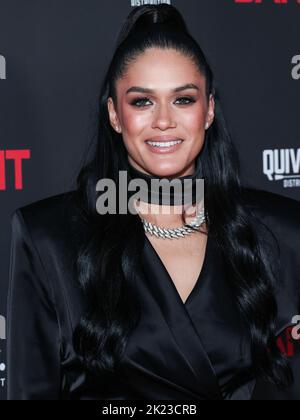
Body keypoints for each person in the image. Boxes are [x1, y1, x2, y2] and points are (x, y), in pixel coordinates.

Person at [7, 4, 300, 400]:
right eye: (142, 101)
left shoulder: (281, 233)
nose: (164, 120)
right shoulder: (50, 240)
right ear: (114, 113)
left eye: (183, 100)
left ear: (209, 110)